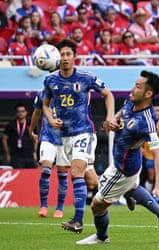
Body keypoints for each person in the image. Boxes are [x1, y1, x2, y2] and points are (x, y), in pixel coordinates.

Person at [76, 71, 159, 245]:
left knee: (96, 205)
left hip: (123, 169)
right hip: (129, 162)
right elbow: (121, 113)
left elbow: (158, 154)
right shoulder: (131, 100)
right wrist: (112, 121)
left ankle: (102, 237)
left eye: (138, 86)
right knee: (131, 187)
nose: (132, 89)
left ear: (148, 94)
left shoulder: (146, 122)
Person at [42, 39, 115, 234]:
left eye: (68, 54)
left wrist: (109, 118)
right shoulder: (51, 80)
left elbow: (108, 95)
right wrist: (49, 118)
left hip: (84, 132)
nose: (65, 58)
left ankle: (78, 220)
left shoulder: (86, 77)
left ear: (75, 57)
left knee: (75, 172)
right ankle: (125, 192)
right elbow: (45, 104)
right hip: (64, 136)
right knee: (92, 181)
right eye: (62, 55)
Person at [29, 90, 68, 218]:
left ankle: (59, 208)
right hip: (48, 137)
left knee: (62, 174)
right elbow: (37, 112)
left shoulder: (69, 93)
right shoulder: (43, 94)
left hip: (64, 139)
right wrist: (31, 130)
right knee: (45, 170)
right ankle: (44, 206)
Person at [2, 103, 37, 169]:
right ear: (16, 113)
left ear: (26, 112)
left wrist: (35, 152)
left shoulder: (31, 123)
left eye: (23, 111)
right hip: (16, 156)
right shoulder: (11, 124)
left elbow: (36, 139)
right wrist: (7, 154)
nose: (21, 113)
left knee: (31, 175)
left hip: (29, 156)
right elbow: (4, 139)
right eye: (19, 111)